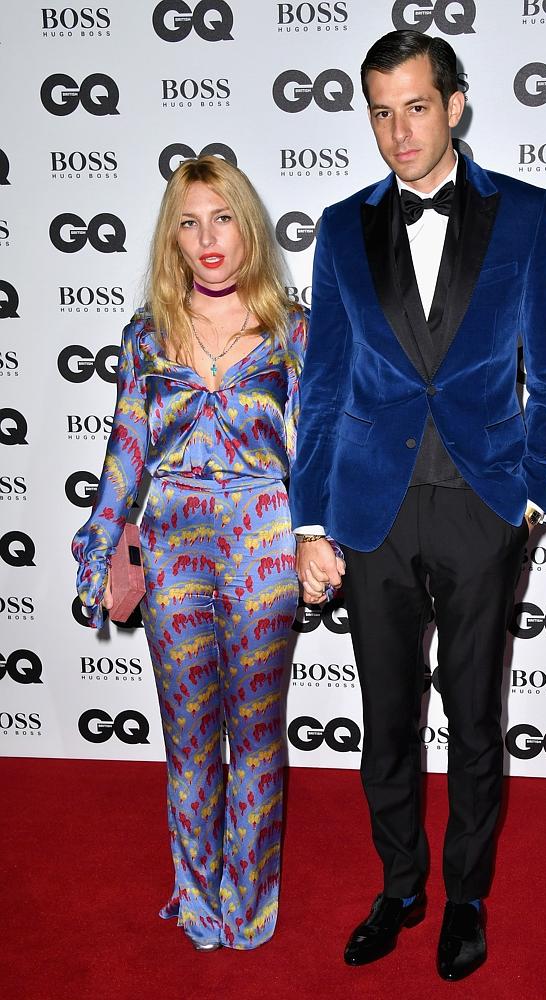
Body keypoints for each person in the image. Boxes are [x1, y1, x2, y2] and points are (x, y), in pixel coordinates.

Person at [290, 30, 546, 981]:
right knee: (387, 717)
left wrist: (532, 495)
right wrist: (309, 520)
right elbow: (323, 384)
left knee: (476, 716)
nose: (398, 130)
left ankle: (464, 895)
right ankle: (401, 885)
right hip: (369, 510)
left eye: (415, 106)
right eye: (379, 110)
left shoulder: (529, 216)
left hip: (482, 505)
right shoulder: (340, 226)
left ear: (454, 105)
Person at [73, 156, 307, 951]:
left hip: (265, 549)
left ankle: (250, 904)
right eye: (188, 220)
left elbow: (312, 452)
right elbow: (125, 452)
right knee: (188, 738)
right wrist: (99, 546)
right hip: (170, 551)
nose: (207, 238)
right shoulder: (146, 334)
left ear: (248, 224)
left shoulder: (293, 330)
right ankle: (199, 900)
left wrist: (318, 540)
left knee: (256, 732)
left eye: (222, 217)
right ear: (172, 236)